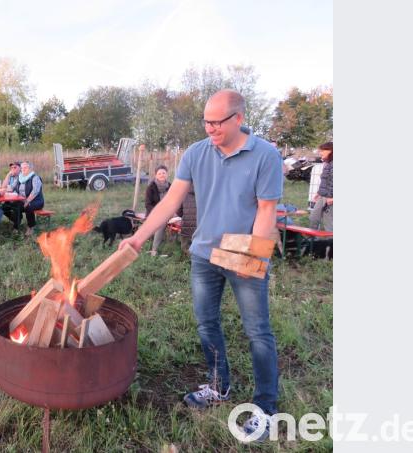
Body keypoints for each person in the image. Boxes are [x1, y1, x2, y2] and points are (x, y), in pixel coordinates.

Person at [119, 89, 284, 440]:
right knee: (206, 324)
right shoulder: (196, 153)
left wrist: (253, 256)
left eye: (217, 122)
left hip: (244, 249)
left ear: (238, 118)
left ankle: (266, 407)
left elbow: (267, 212)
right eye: (206, 121)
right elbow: (169, 203)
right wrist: (140, 236)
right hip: (204, 252)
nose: (210, 128)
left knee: (258, 332)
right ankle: (218, 385)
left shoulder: (265, 155)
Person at [145, 165, 172, 256]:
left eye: (163, 173)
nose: (162, 175)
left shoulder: (171, 186)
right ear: (156, 175)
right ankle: (154, 250)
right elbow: (147, 204)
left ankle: (172, 245)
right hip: (153, 213)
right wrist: (158, 213)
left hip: (169, 212)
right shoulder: (151, 187)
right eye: (159, 173)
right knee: (161, 223)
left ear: (167, 174)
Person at [308, 141, 333, 231]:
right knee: (313, 218)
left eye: (322, 150)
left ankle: (330, 243)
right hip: (323, 196)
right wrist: (319, 193)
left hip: (330, 199)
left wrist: (332, 198)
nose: (320, 152)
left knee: (329, 224)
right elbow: (326, 181)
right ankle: (310, 242)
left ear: (330, 150)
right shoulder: (328, 164)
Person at [17, 161, 45, 236]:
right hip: (23, 200)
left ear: (30, 168)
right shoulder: (20, 178)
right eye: (22, 168)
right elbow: (12, 187)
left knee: (28, 207)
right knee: (14, 206)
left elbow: (35, 191)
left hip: (36, 201)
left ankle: (31, 227)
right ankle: (16, 226)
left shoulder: (35, 177)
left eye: (25, 167)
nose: (23, 169)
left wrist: (27, 201)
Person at [0, 161, 23, 230]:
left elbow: (10, 189)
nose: (13, 169)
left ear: (20, 168)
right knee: (3, 208)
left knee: (16, 208)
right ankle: (16, 220)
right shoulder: (11, 176)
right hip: (10, 198)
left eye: (15, 167)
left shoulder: (21, 176)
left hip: (20, 199)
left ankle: (16, 228)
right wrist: (8, 175)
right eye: (11, 168)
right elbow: (3, 186)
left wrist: (6, 189)